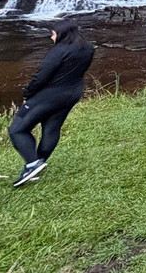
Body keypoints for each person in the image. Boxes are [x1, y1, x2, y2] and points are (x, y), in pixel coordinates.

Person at [7, 20, 95, 187]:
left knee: (17, 129)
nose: (51, 36)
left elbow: (41, 77)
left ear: (62, 34)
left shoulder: (58, 51)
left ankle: (33, 165)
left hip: (51, 95)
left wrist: (28, 93)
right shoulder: (88, 48)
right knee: (52, 127)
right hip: (73, 93)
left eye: (53, 33)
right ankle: (38, 163)